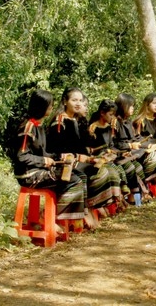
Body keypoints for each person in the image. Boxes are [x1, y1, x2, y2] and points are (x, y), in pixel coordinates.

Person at [9, 89, 85, 226]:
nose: (51, 107)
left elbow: (42, 153)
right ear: (41, 107)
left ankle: (57, 219)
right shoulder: (28, 127)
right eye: (49, 105)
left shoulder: (39, 126)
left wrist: (58, 158)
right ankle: (49, 218)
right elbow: (21, 156)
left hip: (38, 170)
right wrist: (44, 161)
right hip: (28, 175)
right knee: (74, 180)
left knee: (75, 175)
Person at [46, 88, 120, 216]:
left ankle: (91, 207)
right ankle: (85, 210)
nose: (78, 104)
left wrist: (90, 158)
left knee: (104, 168)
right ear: (65, 101)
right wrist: (84, 158)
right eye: (74, 100)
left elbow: (79, 146)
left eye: (80, 100)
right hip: (61, 163)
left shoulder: (74, 120)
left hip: (75, 159)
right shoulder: (59, 122)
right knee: (96, 172)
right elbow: (59, 151)